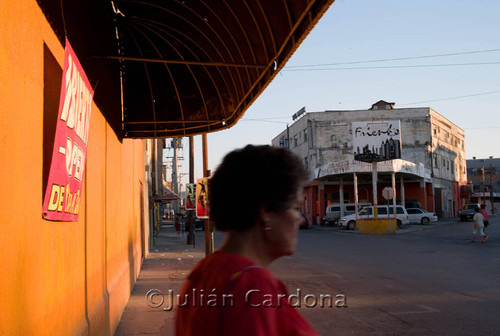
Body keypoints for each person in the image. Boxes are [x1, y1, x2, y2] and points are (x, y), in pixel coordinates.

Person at [176, 145, 318, 336]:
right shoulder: (252, 285)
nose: (300, 220)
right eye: (295, 208)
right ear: (266, 211)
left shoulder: (204, 271)